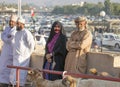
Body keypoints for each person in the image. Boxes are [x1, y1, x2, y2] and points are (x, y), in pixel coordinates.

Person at [9, 17, 35, 87]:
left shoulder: (26, 32)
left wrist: (27, 54)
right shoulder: (17, 33)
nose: (16, 25)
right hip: (16, 58)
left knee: (21, 77)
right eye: (16, 23)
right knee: (14, 76)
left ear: (22, 24)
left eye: (18, 24)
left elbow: (32, 45)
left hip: (23, 59)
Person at [0, 14, 17, 87]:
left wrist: (5, 37)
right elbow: (2, 36)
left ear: (15, 22)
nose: (11, 23)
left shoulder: (15, 30)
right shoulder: (7, 28)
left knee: (9, 71)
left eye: (13, 21)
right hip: (4, 53)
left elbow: (8, 39)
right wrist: (6, 37)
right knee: (2, 69)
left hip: (11, 54)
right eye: (10, 21)